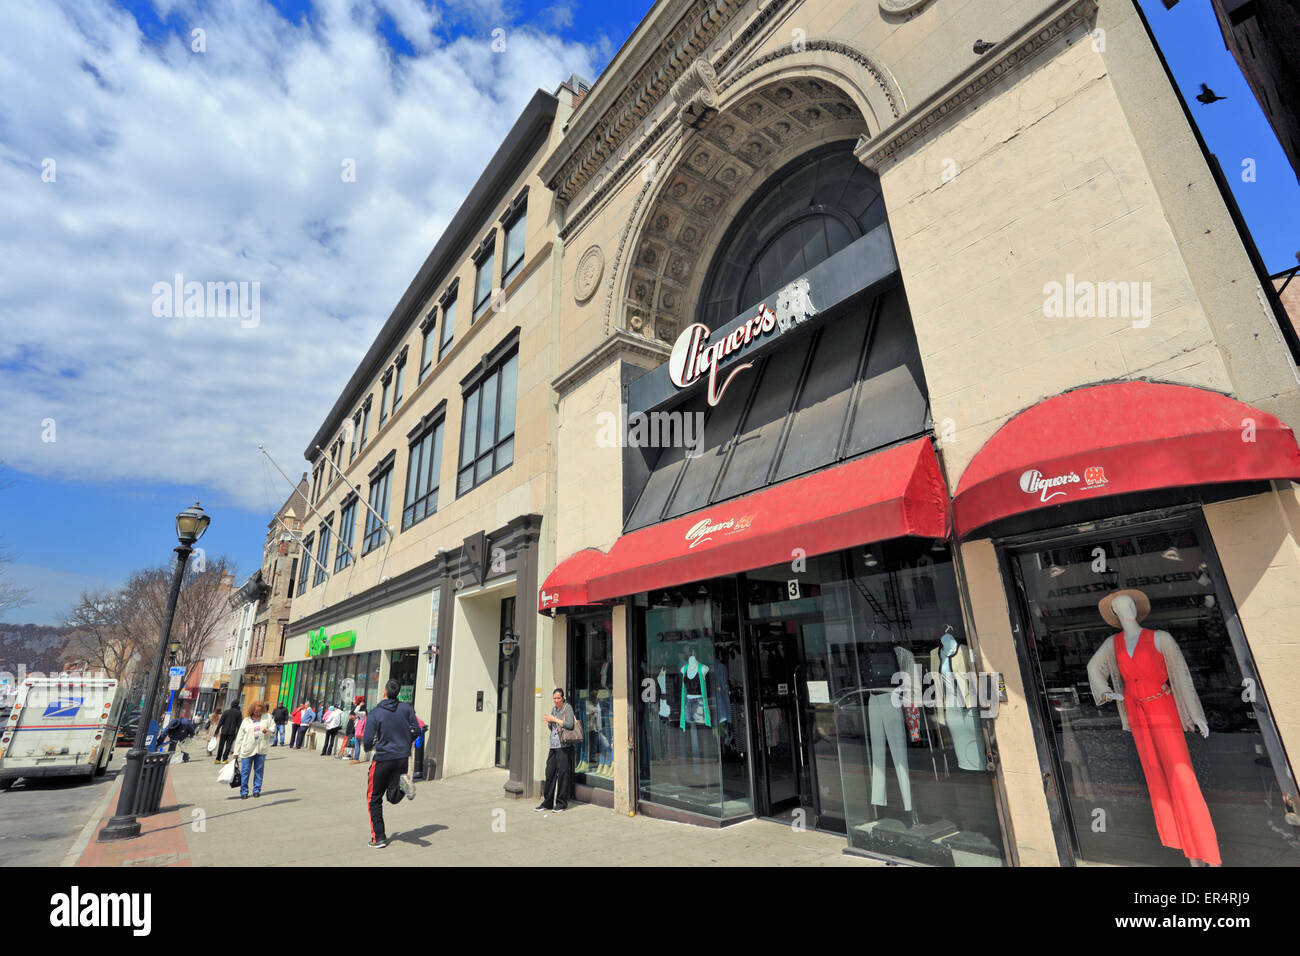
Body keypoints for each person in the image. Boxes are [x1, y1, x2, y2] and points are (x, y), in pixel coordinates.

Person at [362, 680, 419, 848]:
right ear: (398, 693)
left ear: (385, 692)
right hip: (402, 758)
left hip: (383, 759)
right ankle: (404, 786)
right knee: (392, 797)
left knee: (373, 798)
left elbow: (367, 738)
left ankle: (378, 838)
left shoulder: (376, 712)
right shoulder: (407, 709)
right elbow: (416, 730)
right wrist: (405, 743)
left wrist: (368, 747)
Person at [536, 688, 576, 812]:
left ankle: (561, 803)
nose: (556, 701)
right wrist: (549, 723)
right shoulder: (554, 709)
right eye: (554, 698)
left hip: (564, 747)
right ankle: (547, 802)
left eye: (558, 698)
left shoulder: (567, 708)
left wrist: (554, 719)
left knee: (563, 774)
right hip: (553, 746)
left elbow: (570, 725)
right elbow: (553, 728)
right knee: (550, 773)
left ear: (563, 698)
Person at [233, 701, 275, 799]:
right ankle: (244, 791)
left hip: (261, 749)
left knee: (259, 770)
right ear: (252, 711)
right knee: (245, 771)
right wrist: (236, 752)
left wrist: (267, 731)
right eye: (256, 712)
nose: (258, 713)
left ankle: (257, 789)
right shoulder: (246, 721)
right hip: (247, 750)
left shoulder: (267, 717)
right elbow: (239, 737)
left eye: (260, 711)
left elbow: (273, 728)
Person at [214, 700, 242, 764]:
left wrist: (216, 731)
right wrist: (238, 733)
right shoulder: (238, 713)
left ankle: (218, 759)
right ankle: (224, 759)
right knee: (228, 746)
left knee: (221, 745)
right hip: (232, 732)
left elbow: (220, 722)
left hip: (224, 731)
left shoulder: (226, 712)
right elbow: (239, 724)